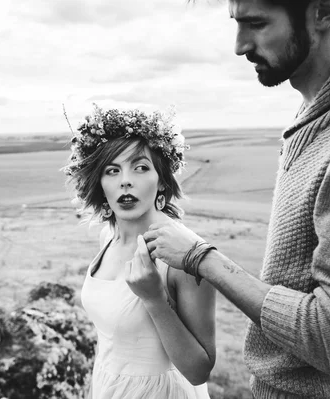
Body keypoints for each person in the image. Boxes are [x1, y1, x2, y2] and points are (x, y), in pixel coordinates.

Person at [143, 0, 330, 397]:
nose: (239, 45)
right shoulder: (325, 107)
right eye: (237, 23)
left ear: (323, 11)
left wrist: (202, 257)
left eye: (257, 23)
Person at [63, 105, 216, 399]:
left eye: (141, 167)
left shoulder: (184, 254)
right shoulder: (108, 236)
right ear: (100, 184)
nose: (125, 180)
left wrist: (154, 299)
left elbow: (199, 370)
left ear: (161, 182)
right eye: (112, 170)